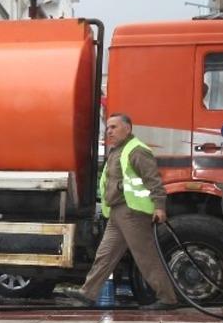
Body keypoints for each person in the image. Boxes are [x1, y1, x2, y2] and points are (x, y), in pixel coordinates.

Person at [72, 113, 179, 310]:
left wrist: (159, 207)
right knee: (105, 255)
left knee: (146, 256)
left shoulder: (136, 150)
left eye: (114, 127)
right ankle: (87, 294)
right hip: (117, 212)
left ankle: (167, 298)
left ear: (127, 129)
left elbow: (153, 180)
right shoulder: (117, 150)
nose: (109, 131)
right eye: (108, 127)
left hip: (133, 212)